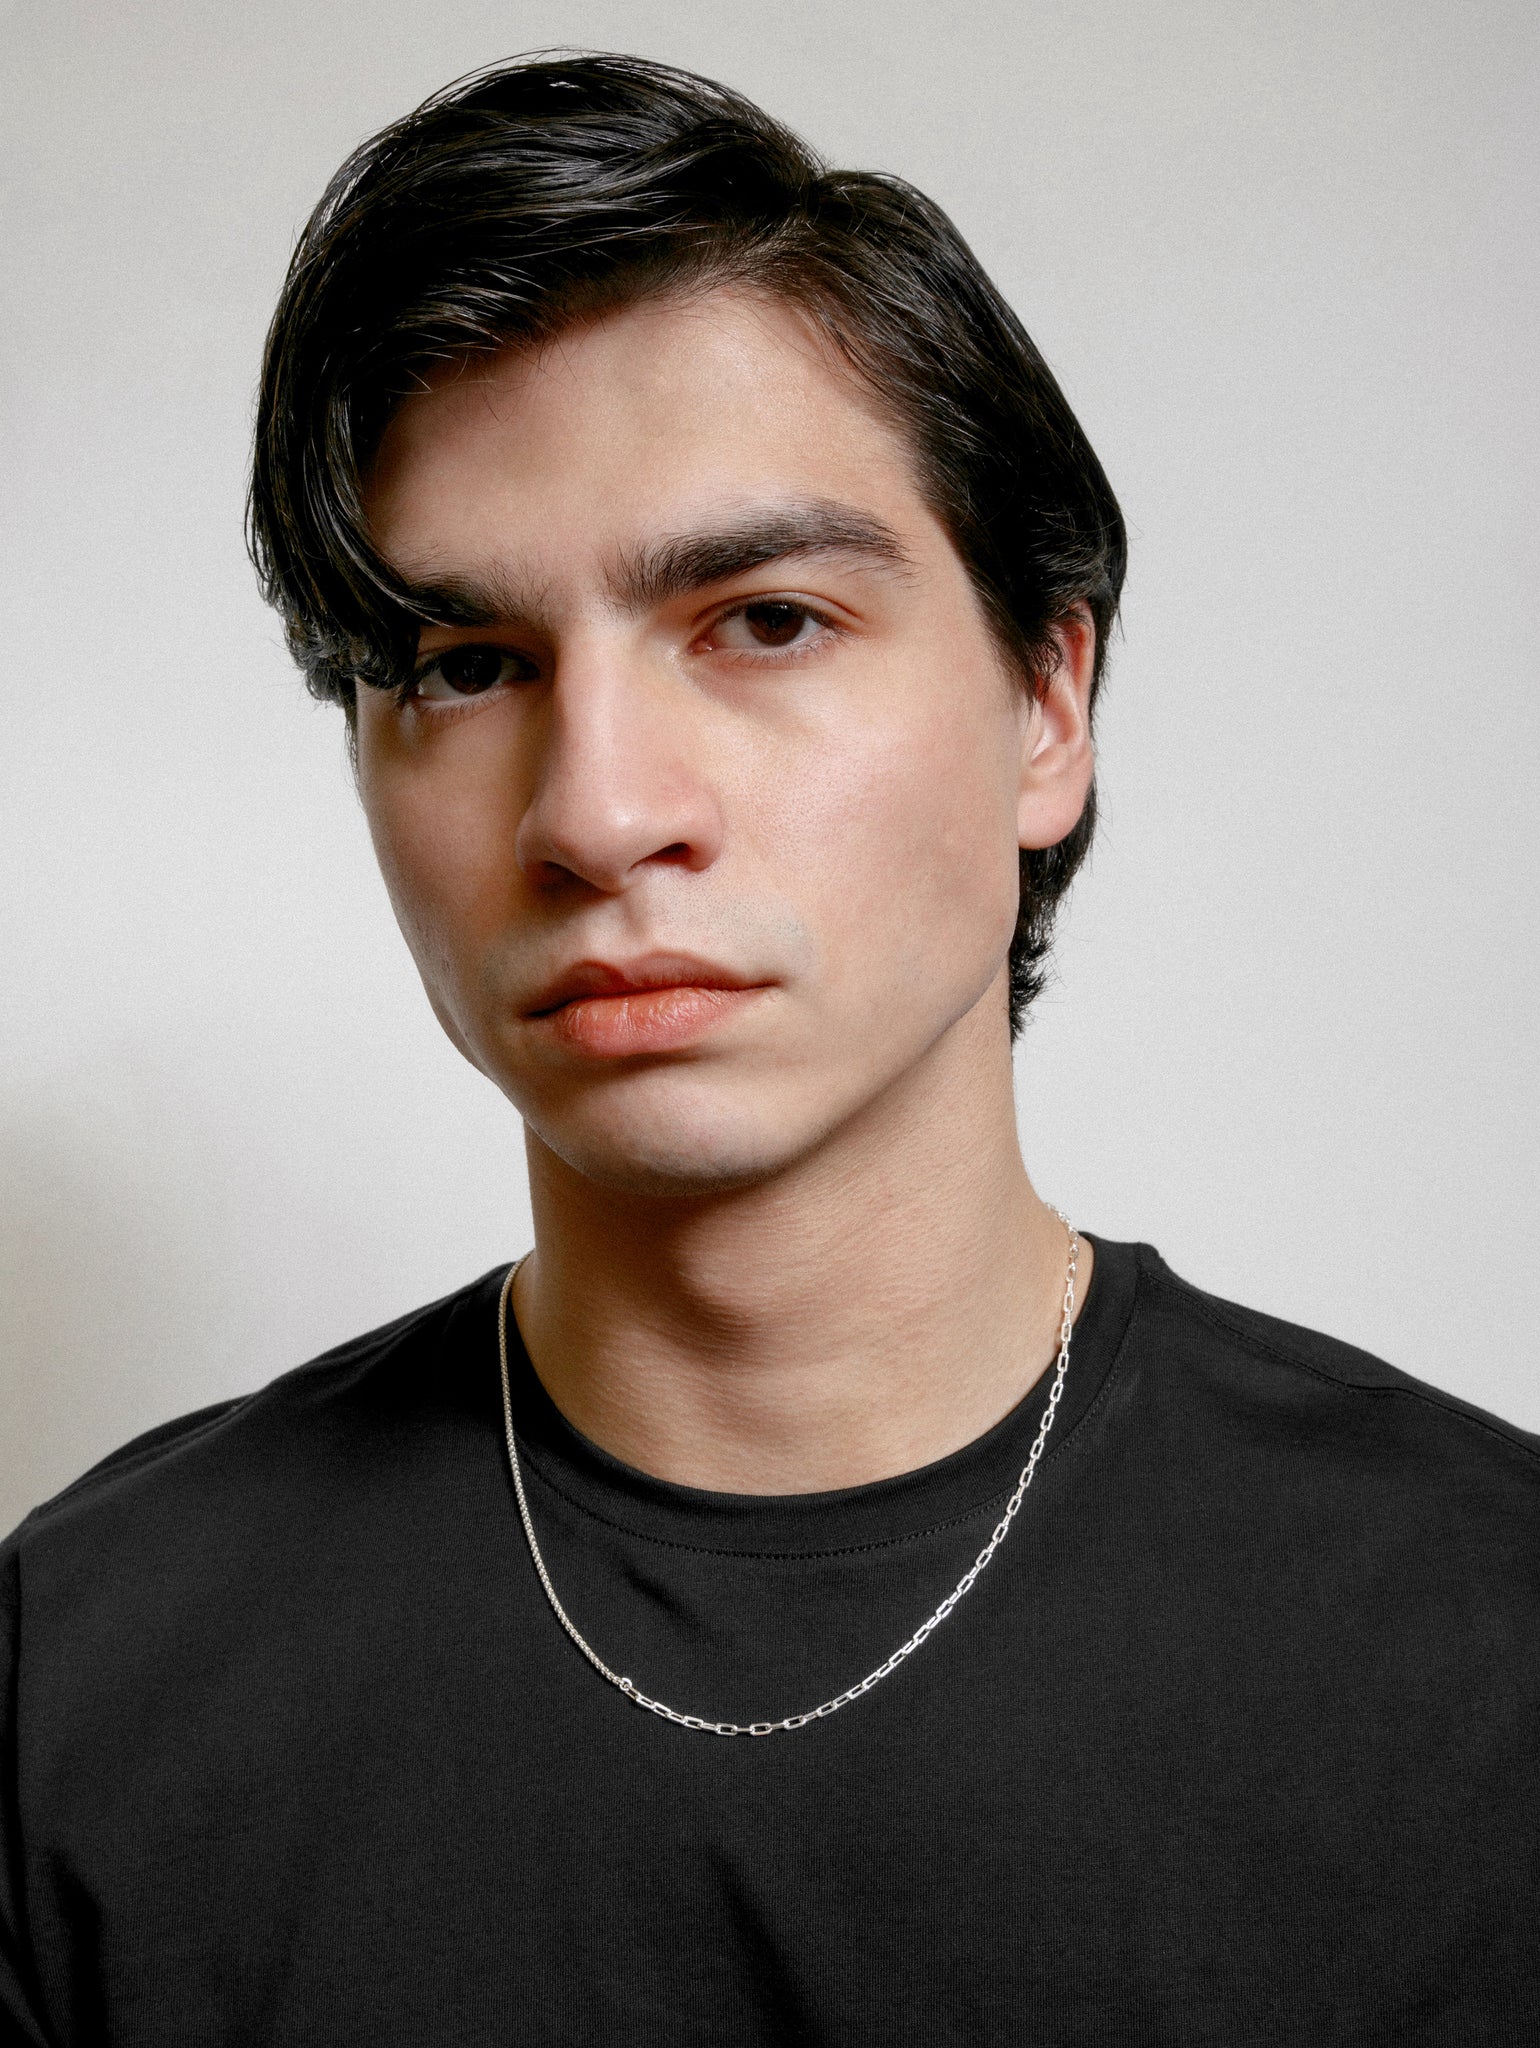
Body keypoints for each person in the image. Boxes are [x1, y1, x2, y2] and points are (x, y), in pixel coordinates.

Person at [2, 50, 1535, 2045]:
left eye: (765, 620)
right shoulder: (80, 1682)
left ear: (1047, 703)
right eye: (467, 667)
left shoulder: (1485, 1649)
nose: (597, 811)